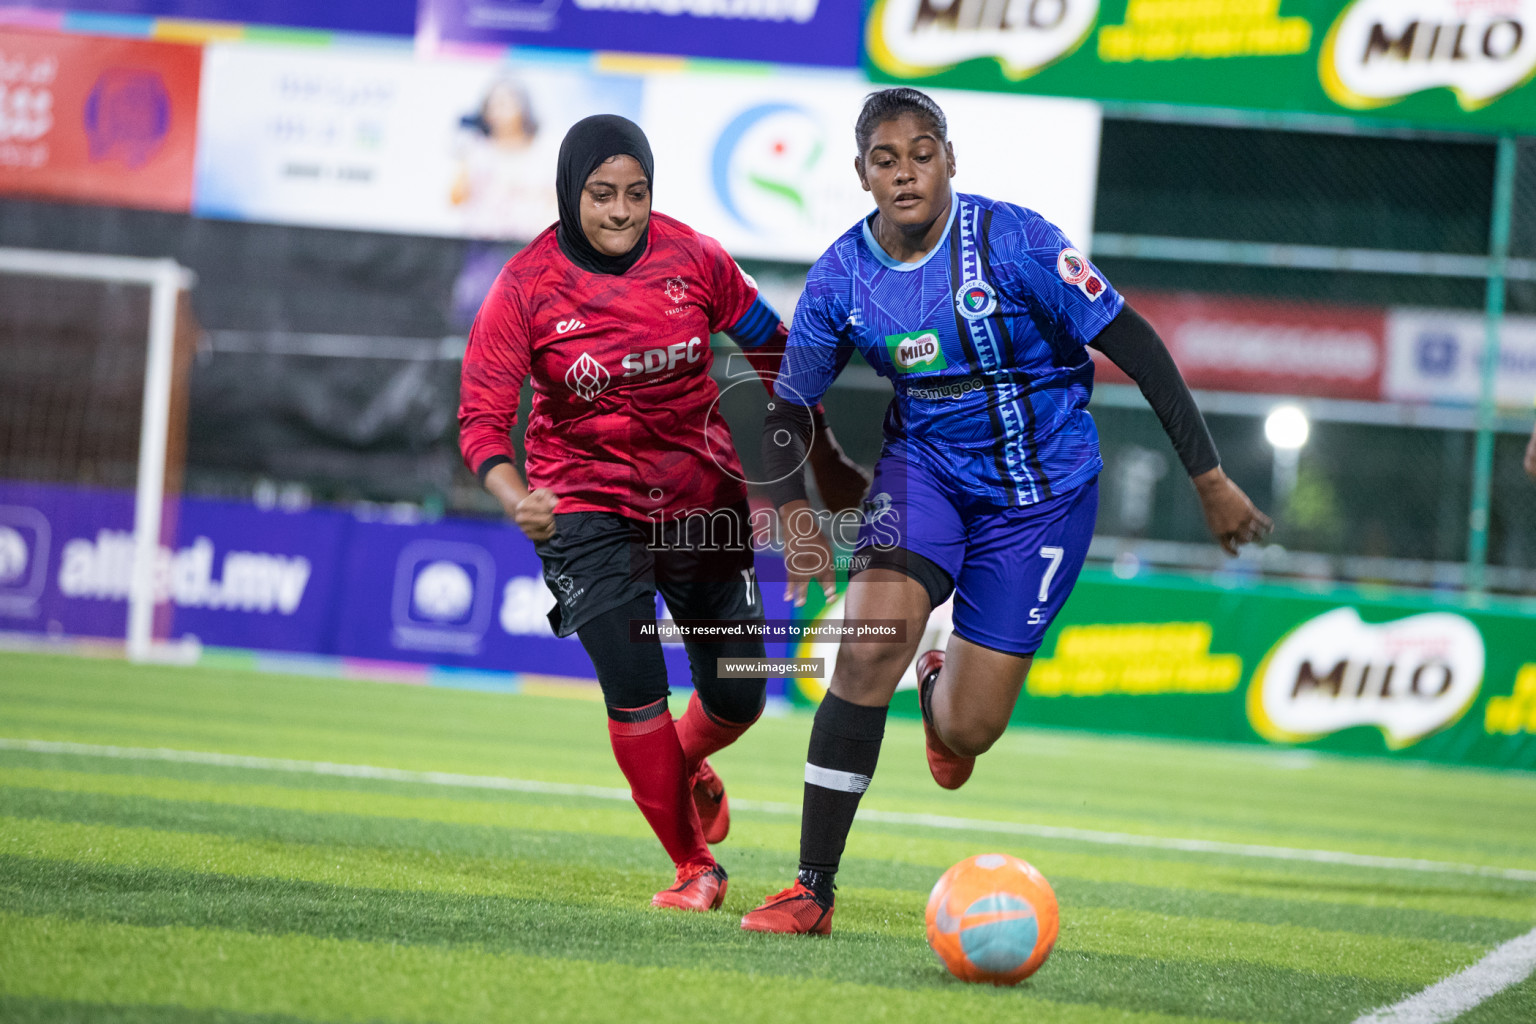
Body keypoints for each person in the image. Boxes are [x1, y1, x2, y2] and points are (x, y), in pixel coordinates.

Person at [740, 88, 1272, 935]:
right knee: (866, 646)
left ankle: (943, 688)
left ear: (951, 159)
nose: (906, 171)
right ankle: (811, 888)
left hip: (1045, 498)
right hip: (926, 477)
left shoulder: (1018, 241)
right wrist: (792, 509)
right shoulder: (842, 276)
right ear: (861, 174)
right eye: (887, 159)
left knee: (971, 731)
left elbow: (1135, 343)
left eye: (923, 152)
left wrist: (1209, 479)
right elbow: (785, 408)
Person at [457, 114, 865, 913]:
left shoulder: (695, 258)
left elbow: (774, 346)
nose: (620, 211)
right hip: (581, 504)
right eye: (601, 194)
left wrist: (812, 462)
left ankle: (685, 766)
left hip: (698, 500)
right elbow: (480, 420)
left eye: (636, 193)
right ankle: (693, 864)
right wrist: (518, 498)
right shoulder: (524, 288)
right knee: (636, 688)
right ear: (570, 193)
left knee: (740, 694)